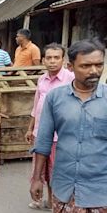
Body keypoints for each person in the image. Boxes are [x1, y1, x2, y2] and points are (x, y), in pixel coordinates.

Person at [30, 38, 107, 212]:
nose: (94, 71)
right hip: (64, 188)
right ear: (70, 67)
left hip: (100, 191)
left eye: (99, 65)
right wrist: (37, 178)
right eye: (85, 66)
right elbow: (43, 141)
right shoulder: (55, 98)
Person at [26, 43, 75, 211]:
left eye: (56, 58)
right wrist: (30, 128)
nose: (52, 61)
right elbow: (36, 106)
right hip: (41, 133)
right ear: (43, 60)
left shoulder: (70, 78)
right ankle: (44, 199)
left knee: (56, 172)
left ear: (63, 60)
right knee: (41, 170)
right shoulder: (42, 79)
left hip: (60, 136)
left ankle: (56, 202)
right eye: (49, 58)